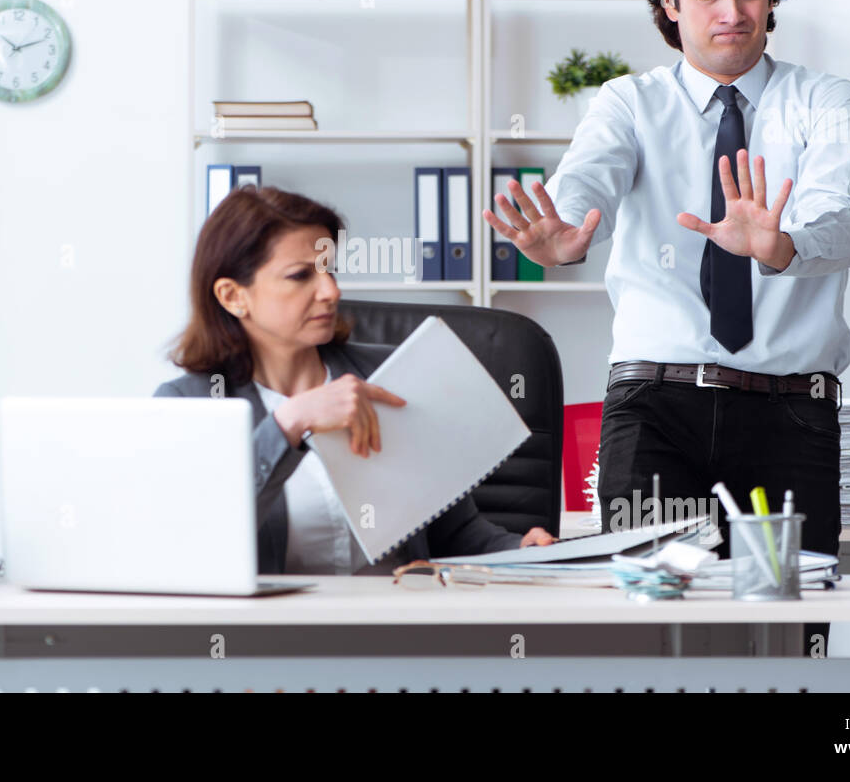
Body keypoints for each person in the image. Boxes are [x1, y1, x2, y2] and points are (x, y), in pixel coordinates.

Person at [481, 0, 850, 656]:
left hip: (790, 418)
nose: (732, 11)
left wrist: (781, 241)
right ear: (668, 3)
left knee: (791, 643)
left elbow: (841, 225)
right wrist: (563, 237)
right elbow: (583, 188)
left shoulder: (830, 103)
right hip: (659, 411)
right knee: (651, 638)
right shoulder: (628, 104)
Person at [156, 185, 554, 576]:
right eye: (300, 276)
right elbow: (197, 544)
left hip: (394, 630)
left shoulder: (392, 377)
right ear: (232, 296)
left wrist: (517, 550)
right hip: (267, 637)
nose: (331, 291)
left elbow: (457, 533)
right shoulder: (190, 406)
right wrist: (288, 424)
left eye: (330, 270)